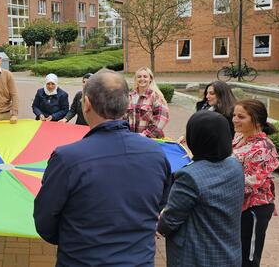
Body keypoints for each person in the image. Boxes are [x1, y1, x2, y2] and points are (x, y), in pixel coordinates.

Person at [34, 69, 171, 266]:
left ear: (87, 104)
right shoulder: (156, 154)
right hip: (138, 260)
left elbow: (45, 219)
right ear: (125, 105)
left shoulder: (67, 158)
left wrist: (75, 238)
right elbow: (160, 202)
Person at [158, 111, 244, 266]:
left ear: (194, 138)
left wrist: (159, 224)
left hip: (196, 256)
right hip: (228, 253)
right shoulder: (235, 165)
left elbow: (170, 220)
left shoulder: (188, 176)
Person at [232, 99, 279, 267]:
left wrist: (218, 189)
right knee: (235, 253)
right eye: (234, 115)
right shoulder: (239, 136)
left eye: (241, 116)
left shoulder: (263, 147)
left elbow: (249, 184)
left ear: (257, 120)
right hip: (238, 205)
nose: (235, 120)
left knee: (248, 258)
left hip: (253, 209)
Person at [127, 67, 170, 138]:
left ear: (150, 79)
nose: (142, 79)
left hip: (151, 140)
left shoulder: (156, 96)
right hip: (133, 139)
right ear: (136, 79)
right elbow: (124, 118)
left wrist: (145, 134)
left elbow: (162, 119)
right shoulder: (129, 96)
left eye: (145, 76)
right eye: (139, 77)